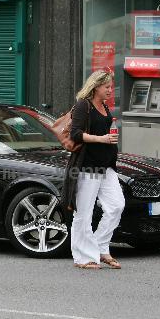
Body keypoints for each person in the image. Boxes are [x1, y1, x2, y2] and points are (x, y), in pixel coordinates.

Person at [62, 69, 125, 269]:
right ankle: (82, 257)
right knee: (84, 213)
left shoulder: (105, 106)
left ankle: (99, 246)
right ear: (96, 86)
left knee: (116, 206)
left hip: (106, 167)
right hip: (87, 166)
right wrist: (102, 139)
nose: (110, 90)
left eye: (111, 87)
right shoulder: (83, 105)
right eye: (107, 87)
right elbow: (76, 134)